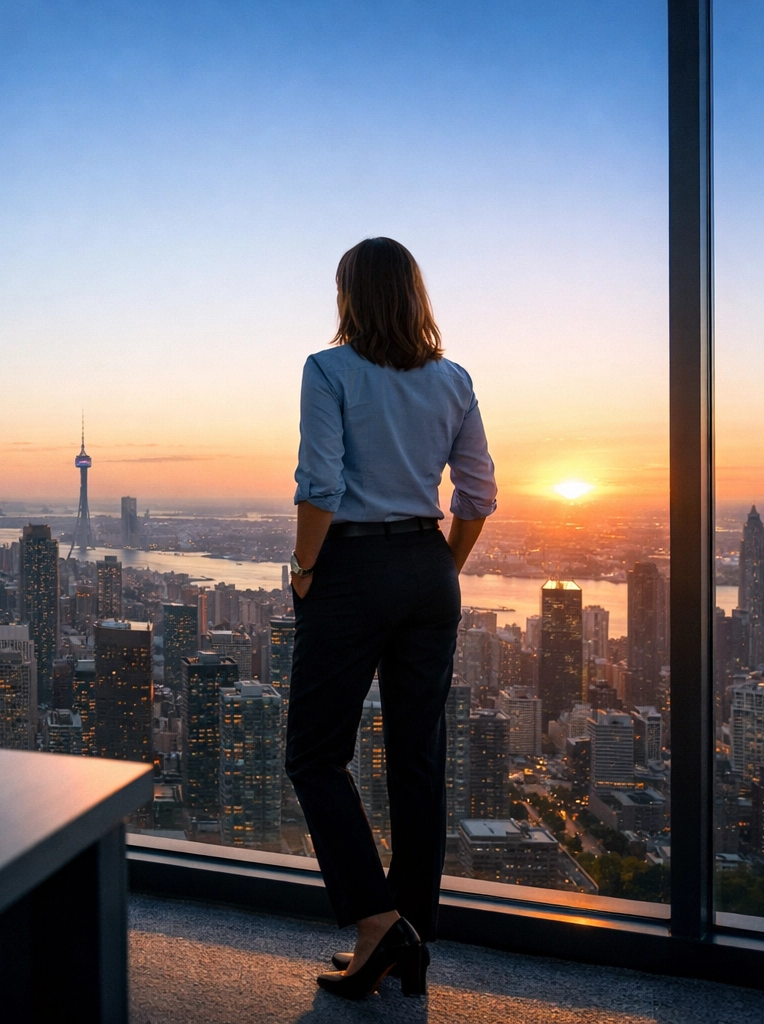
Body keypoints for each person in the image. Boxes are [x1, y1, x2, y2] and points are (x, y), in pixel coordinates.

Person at [287, 236, 496, 999]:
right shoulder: (454, 379)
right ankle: (411, 935)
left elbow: (320, 485)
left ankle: (378, 924)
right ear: (414, 295)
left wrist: (304, 568)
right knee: (417, 759)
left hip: (352, 569)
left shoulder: (328, 370)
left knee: (314, 755)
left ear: (349, 296)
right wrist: (444, 566)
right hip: (429, 567)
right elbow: (478, 495)